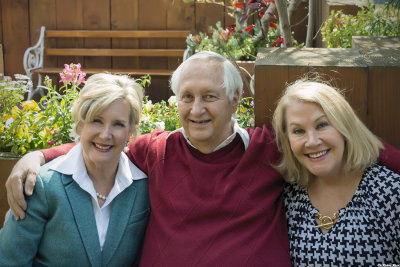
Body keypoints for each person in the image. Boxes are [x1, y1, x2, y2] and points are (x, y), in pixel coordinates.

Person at [5, 52, 400, 266]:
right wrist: (35, 156)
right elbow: (104, 143)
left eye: (209, 96)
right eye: (187, 97)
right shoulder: (155, 151)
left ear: (235, 100)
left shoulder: (271, 147)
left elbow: (353, 141)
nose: (196, 109)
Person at [0, 73, 150, 266]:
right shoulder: (42, 185)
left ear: (130, 131)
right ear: (80, 125)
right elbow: (10, 261)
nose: (105, 134)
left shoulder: (143, 189)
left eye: (118, 124)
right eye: (97, 120)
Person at [272, 79, 400, 265]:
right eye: (298, 131)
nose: (312, 141)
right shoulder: (289, 197)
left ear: (344, 126)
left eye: (322, 125)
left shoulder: (390, 193)